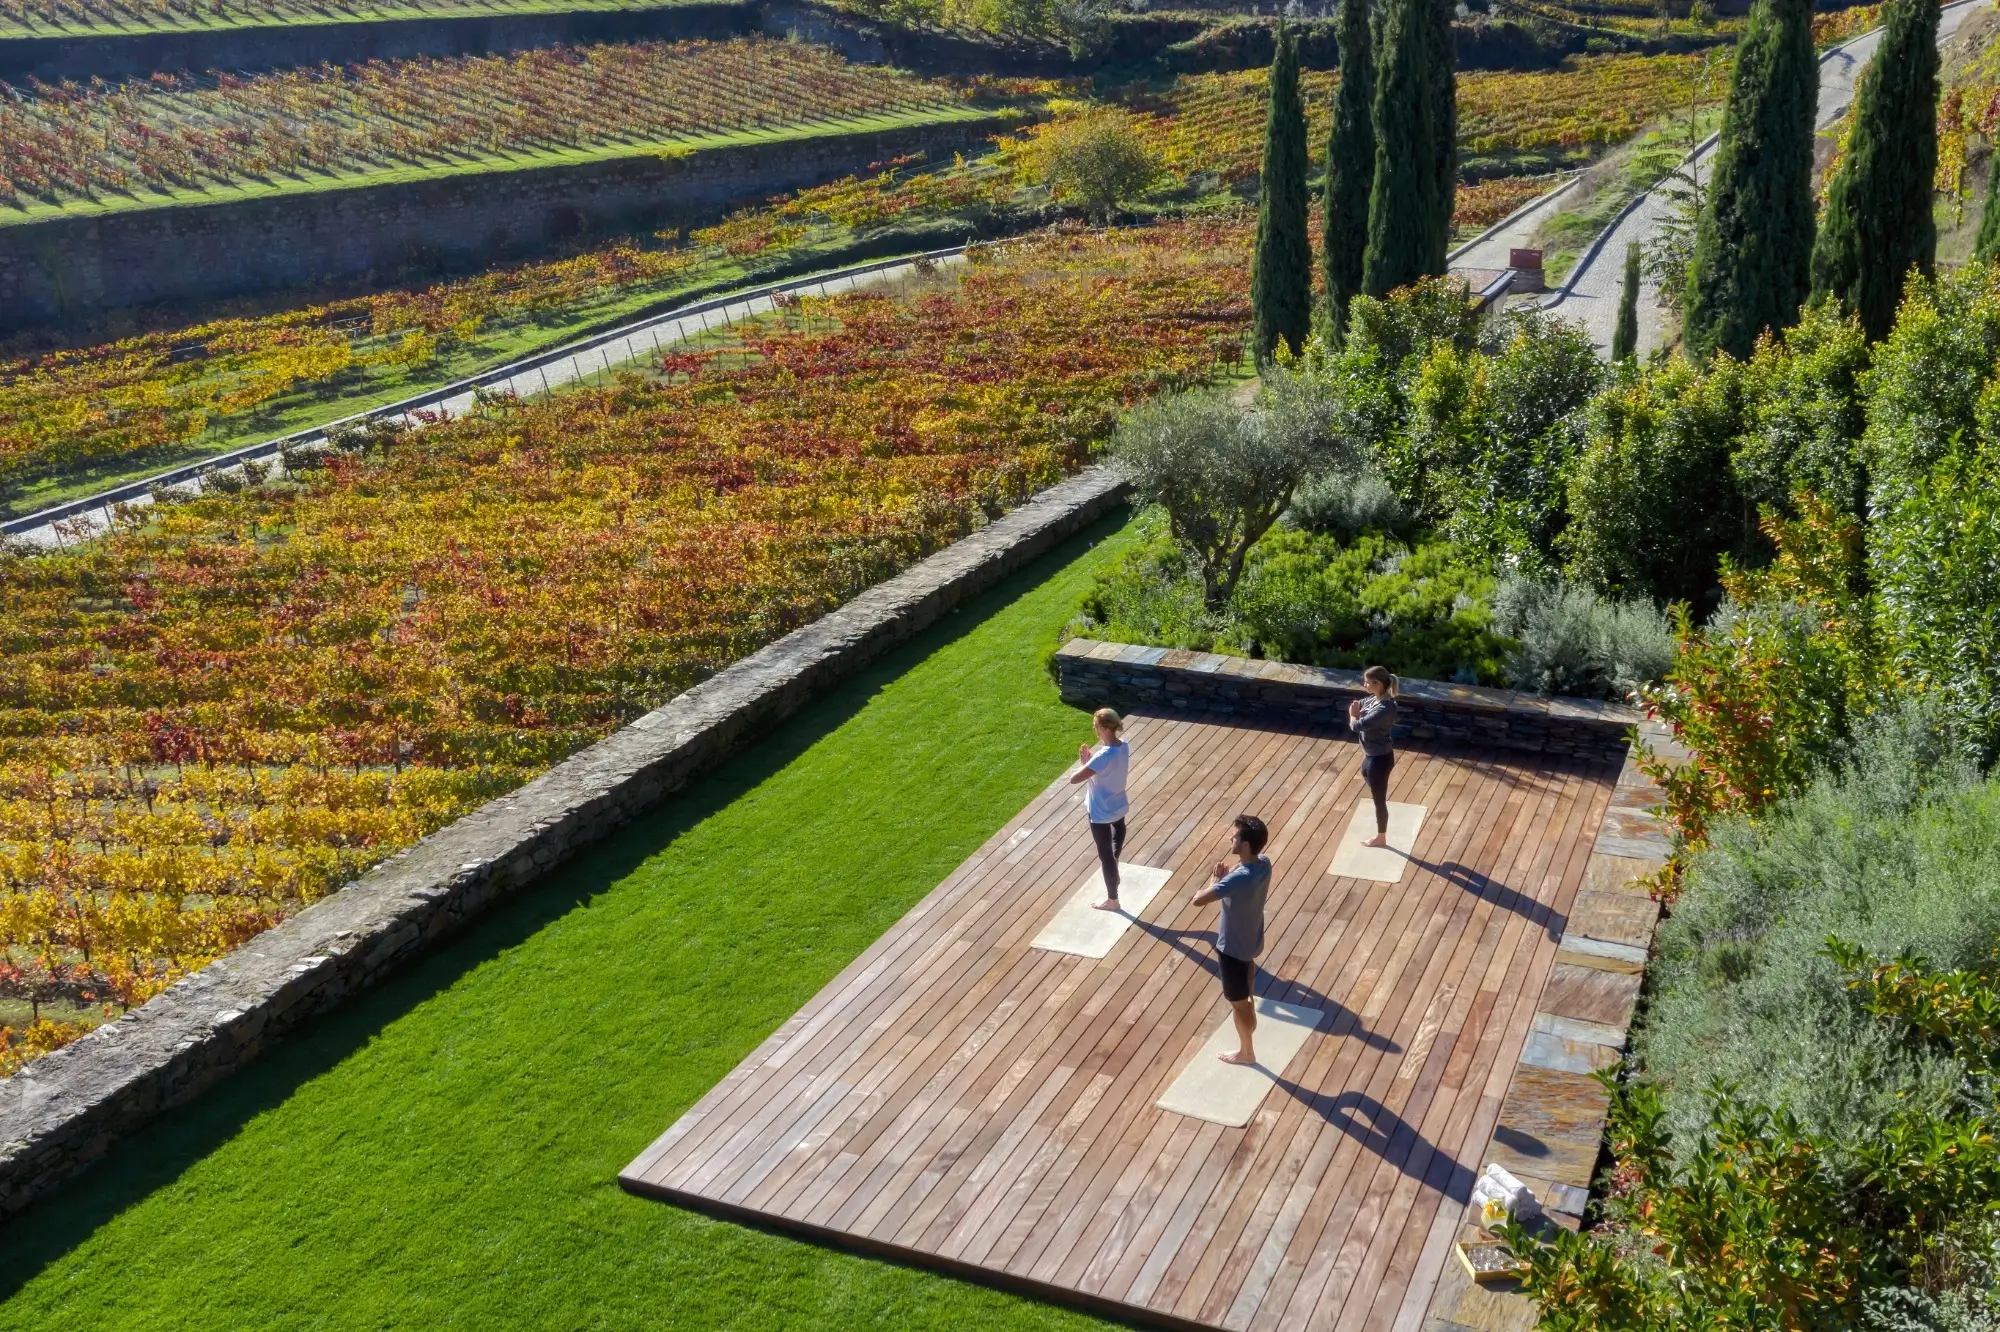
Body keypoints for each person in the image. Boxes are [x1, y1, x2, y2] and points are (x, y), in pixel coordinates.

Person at [1192, 814, 1271, 1065]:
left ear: (1246, 845)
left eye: (1235, 836)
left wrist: (1216, 880)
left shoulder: (1237, 878)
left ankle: (1246, 1052)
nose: (1231, 838)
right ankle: (1250, 1019)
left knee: (1238, 1005)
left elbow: (1198, 900)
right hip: (1251, 943)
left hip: (1232, 950)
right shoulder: (1264, 864)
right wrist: (1230, 875)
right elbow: (1241, 874)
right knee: (1245, 996)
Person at [1069, 707, 1130, 911]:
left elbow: (1074, 779)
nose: (1095, 730)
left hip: (1100, 811)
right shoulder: (1124, 746)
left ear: (1104, 728)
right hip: (1118, 805)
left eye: (1096, 726)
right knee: (1116, 841)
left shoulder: (1103, 756)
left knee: (1106, 857)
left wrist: (1085, 765)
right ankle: (1114, 870)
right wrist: (1089, 763)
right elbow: (1105, 771)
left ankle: (1112, 900)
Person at [1347, 665, 1399, 849]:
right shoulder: (1373, 699)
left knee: (1379, 801)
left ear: (1377, 684)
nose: (1365, 685)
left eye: (1368, 683)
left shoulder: (1384, 708)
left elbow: (1357, 726)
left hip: (1380, 759)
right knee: (1364, 772)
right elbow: (1360, 704)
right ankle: (1380, 797)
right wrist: (1357, 710)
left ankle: (1381, 837)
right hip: (1371, 756)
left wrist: (1352, 716)